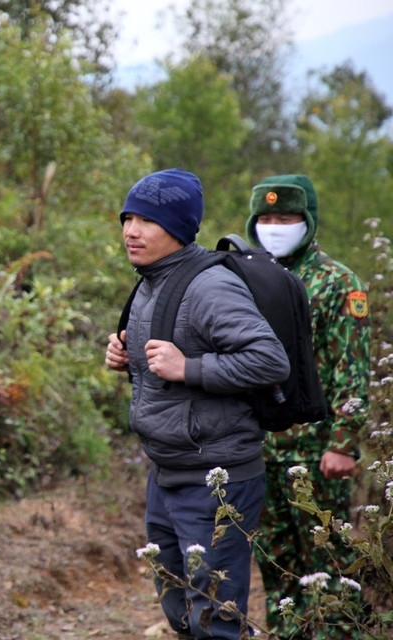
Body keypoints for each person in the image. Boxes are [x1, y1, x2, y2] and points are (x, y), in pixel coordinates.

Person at [105, 168, 289, 639]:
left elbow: (269, 360)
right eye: (127, 219)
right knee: (180, 610)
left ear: (179, 227)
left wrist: (188, 367)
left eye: (146, 221)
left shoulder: (209, 286)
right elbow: (167, 361)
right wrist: (127, 357)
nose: (131, 231)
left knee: (215, 622)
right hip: (167, 471)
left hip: (215, 478)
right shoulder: (152, 280)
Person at [245, 174, 371, 639]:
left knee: (330, 566)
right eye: (267, 218)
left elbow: (350, 369)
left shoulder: (339, 283)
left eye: (287, 218)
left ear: (308, 221)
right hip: (257, 451)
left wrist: (344, 443)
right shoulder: (240, 276)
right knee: (277, 570)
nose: (275, 227)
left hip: (316, 454)